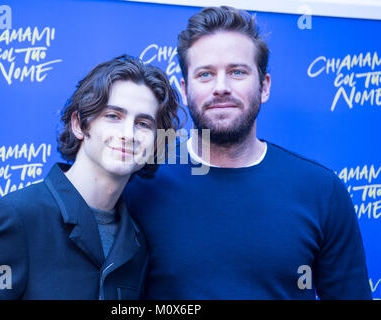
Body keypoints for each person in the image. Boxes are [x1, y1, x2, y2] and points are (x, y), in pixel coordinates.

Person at [123, 6, 372, 299]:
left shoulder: (321, 190)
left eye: (237, 72)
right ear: (185, 90)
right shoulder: (141, 181)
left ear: (264, 87)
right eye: (205, 74)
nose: (221, 88)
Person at [0, 55, 182, 299]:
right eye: (113, 116)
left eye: (143, 123)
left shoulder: (136, 240)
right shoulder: (17, 218)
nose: (128, 134)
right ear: (79, 124)